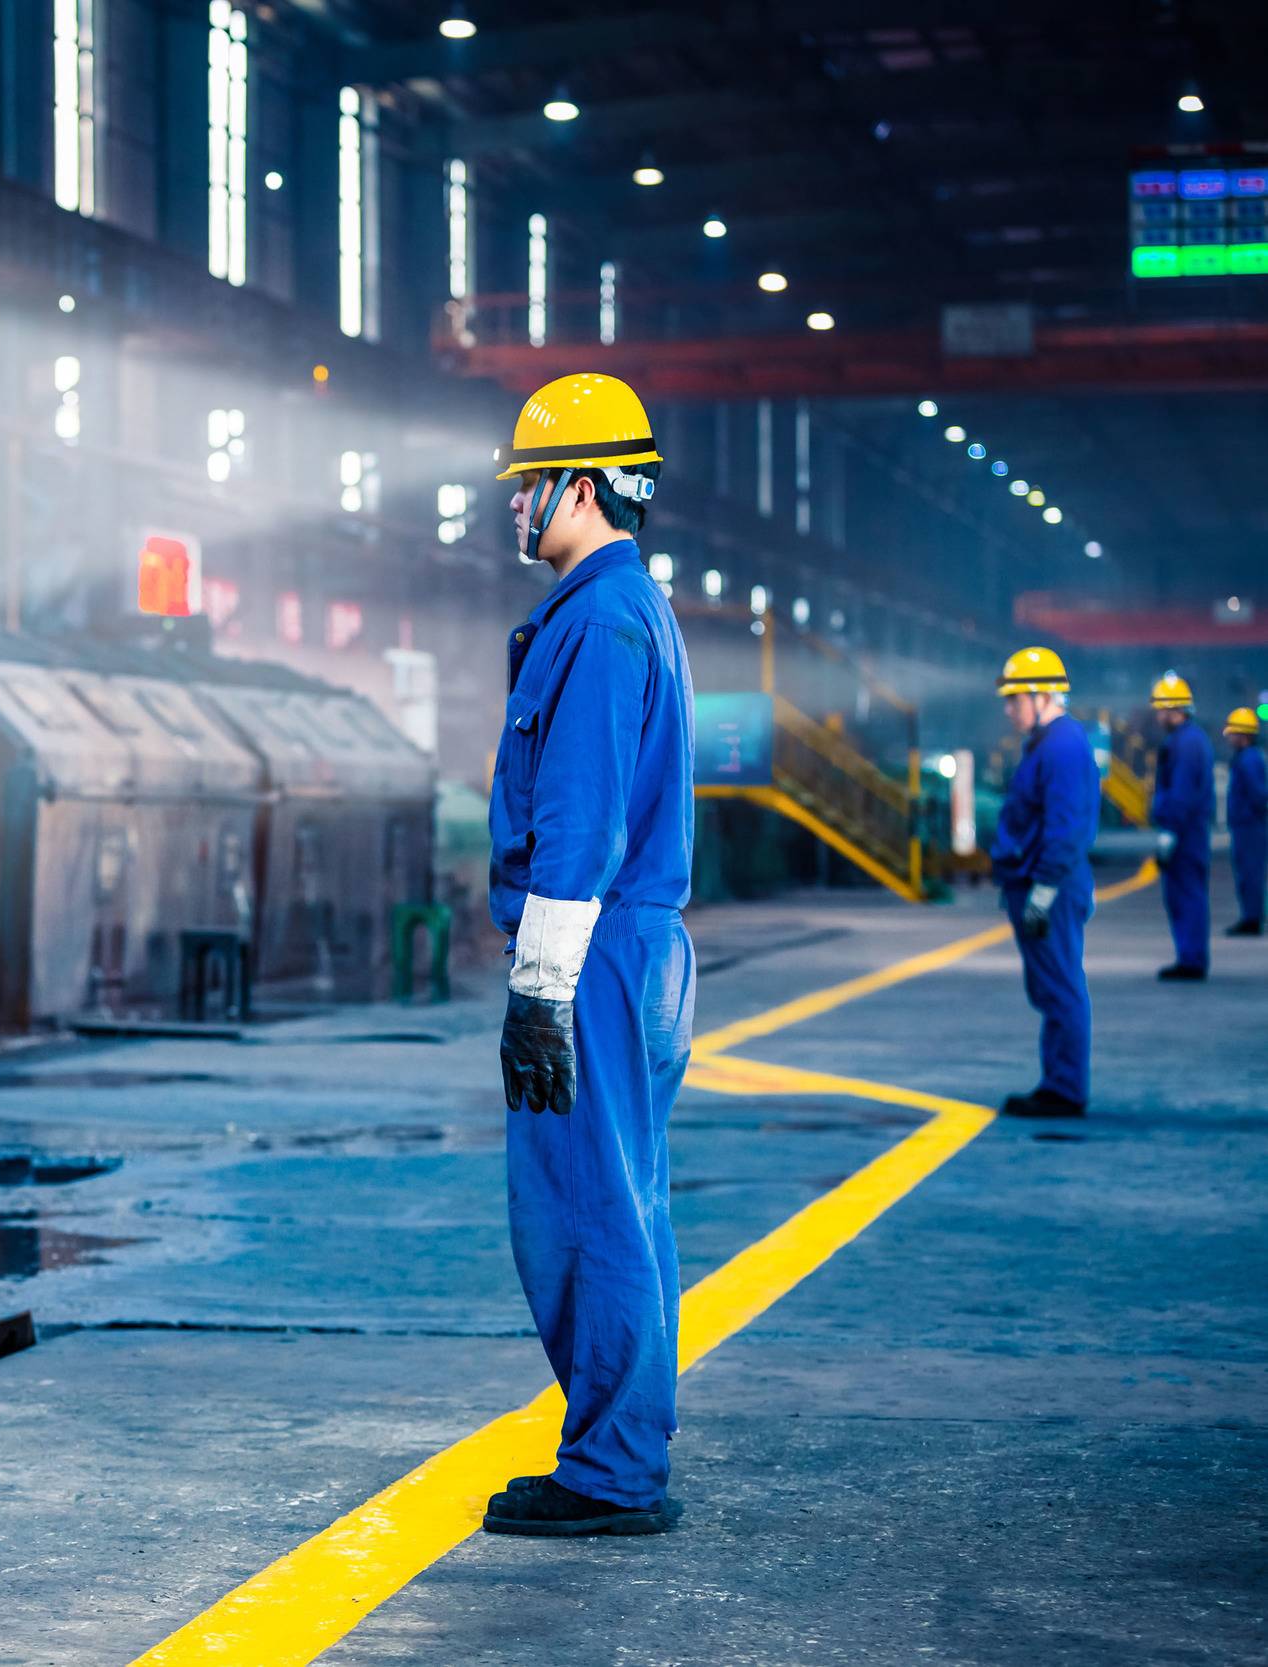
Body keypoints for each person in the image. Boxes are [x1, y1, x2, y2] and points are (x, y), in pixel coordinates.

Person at [481, 372, 693, 1539]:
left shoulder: (602, 624)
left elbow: (580, 818)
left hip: (597, 953)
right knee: (623, 1199)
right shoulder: (608, 610)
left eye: (528, 486)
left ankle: (612, 1470)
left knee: (585, 1207)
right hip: (627, 949)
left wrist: (542, 987)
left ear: (581, 485)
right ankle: (618, 1445)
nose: (516, 507)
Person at [987, 648, 1098, 1118]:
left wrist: (1045, 890)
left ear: (1043, 696)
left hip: (1048, 889)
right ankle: (1060, 1082)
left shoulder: (1062, 747)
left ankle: (1065, 1089)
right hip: (1039, 885)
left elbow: (1066, 827)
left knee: (1060, 988)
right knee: (1053, 987)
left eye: (1016, 700)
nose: (1009, 710)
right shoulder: (1050, 743)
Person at [1149, 673, 1214, 980]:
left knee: (1186, 897)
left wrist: (1169, 832)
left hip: (1185, 834)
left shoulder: (1185, 744)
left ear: (1174, 709)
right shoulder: (1190, 739)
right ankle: (1191, 956)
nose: (1158, 716)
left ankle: (1191, 960)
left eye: (1161, 710)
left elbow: (1182, 791)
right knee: (1189, 895)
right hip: (1191, 833)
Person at [1226, 706, 1265, 937]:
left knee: (1250, 873)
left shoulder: (1248, 760)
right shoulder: (1248, 758)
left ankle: (1252, 919)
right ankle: (1251, 916)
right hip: (1247, 824)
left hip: (1250, 826)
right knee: (1248, 873)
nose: (1229, 737)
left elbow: (1259, 794)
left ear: (1243, 735)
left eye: (1232, 733)